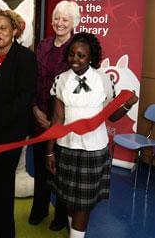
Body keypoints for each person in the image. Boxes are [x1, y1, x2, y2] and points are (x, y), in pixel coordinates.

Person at [46, 32, 138, 238]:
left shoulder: (103, 79)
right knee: (70, 199)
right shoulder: (60, 80)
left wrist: (126, 104)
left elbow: (112, 116)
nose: (75, 60)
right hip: (66, 148)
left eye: (81, 55)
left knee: (83, 204)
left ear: (91, 57)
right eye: (71, 54)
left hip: (94, 150)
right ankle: (74, 232)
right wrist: (50, 152)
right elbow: (57, 119)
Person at [0, 9, 37, 238]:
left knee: (4, 180)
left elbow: (25, 97)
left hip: (9, 132)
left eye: (3, 28)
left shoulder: (25, 58)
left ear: (14, 30)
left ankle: (5, 231)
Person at [29, 0, 80, 230]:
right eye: (57, 18)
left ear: (74, 23)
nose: (59, 22)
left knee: (61, 170)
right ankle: (39, 210)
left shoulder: (79, 49)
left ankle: (60, 216)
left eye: (65, 19)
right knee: (40, 167)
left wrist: (57, 120)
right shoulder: (43, 45)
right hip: (39, 116)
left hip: (65, 120)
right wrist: (35, 110)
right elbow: (32, 78)